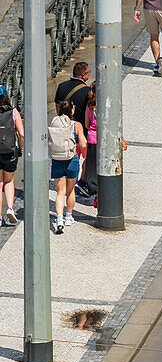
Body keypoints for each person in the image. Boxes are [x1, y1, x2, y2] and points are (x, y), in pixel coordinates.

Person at [54, 62, 92, 198]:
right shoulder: (87, 91)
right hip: (80, 130)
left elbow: (58, 108)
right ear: (84, 75)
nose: (89, 75)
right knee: (89, 158)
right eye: (89, 72)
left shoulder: (61, 87)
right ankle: (81, 182)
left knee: (68, 157)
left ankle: (69, 182)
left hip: (64, 129)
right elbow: (88, 113)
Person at [49, 100, 86, 234]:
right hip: (72, 159)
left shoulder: (54, 122)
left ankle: (59, 218)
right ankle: (69, 216)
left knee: (60, 192)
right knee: (70, 191)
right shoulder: (76, 125)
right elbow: (83, 143)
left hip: (57, 159)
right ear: (71, 110)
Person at [0, 84, 23, 226]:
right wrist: (20, 148)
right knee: (9, 181)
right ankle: (9, 208)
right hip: (10, 151)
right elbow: (22, 134)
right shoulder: (13, 112)